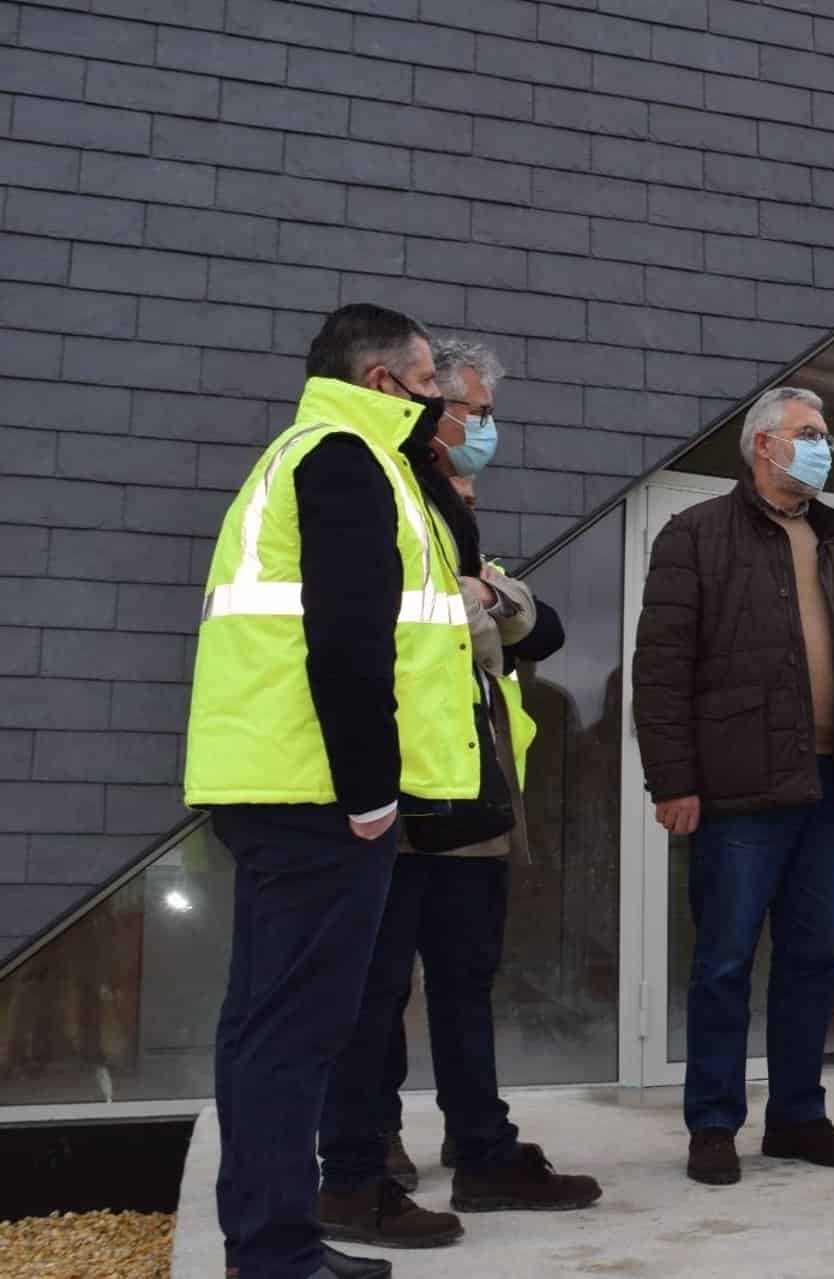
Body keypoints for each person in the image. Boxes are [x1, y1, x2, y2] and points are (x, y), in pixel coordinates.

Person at [183, 303, 478, 1279]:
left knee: (262, 1025)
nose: (442, 394)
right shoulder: (347, 458)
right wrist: (370, 791)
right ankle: (275, 1253)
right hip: (317, 793)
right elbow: (349, 636)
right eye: (430, 375)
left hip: (278, 783)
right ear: (386, 381)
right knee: (293, 1033)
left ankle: (268, 1240)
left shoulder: (311, 452)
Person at [315, 338, 598, 1249]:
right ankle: (361, 1162)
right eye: (463, 405)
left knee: (468, 978)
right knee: (375, 986)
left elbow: (534, 627)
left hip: (470, 781)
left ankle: (482, 1149)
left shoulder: (453, 508)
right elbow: (399, 626)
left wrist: (497, 600)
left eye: (479, 409)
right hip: (404, 783)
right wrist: (484, 604)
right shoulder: (383, 488)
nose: (479, 425)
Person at [632, 385, 834, 1187]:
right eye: (807, 433)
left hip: (823, 780)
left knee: (813, 958)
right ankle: (713, 1123)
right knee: (723, 960)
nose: (821, 447)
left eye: (826, 436)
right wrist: (671, 778)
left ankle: (798, 1115)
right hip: (736, 787)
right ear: (762, 446)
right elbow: (661, 668)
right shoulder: (697, 534)